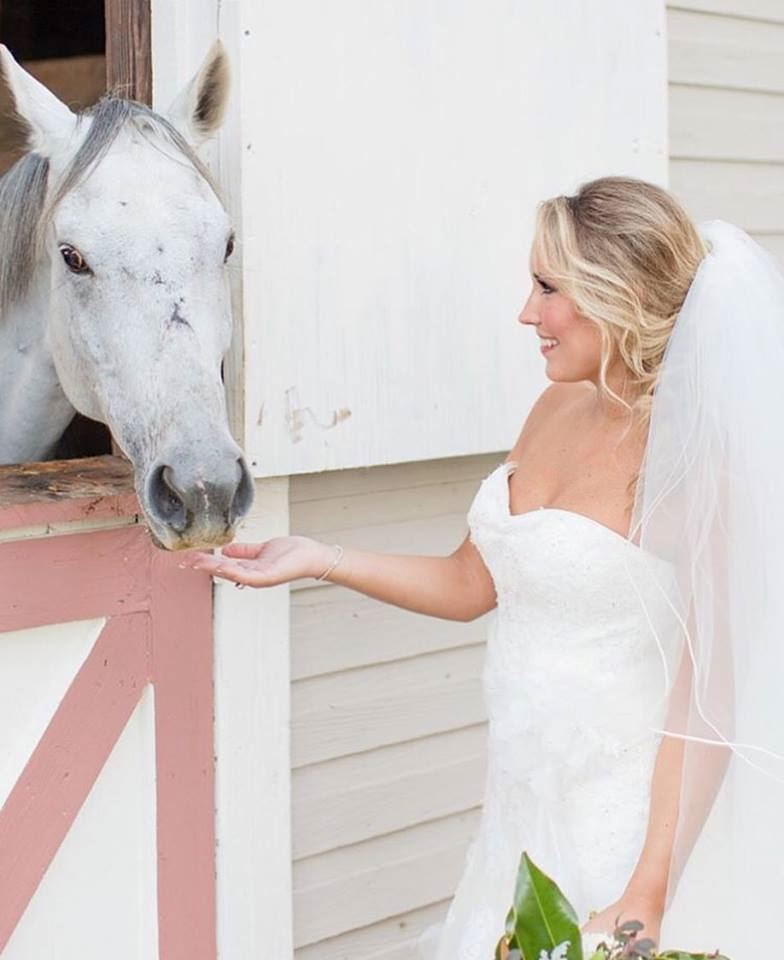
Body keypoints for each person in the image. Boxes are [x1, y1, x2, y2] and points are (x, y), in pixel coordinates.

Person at [192, 176, 784, 958]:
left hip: (630, 833)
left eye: (548, 288)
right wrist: (320, 559)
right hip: (521, 816)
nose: (526, 312)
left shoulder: (694, 464)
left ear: (616, 295)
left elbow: (707, 698)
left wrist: (647, 891)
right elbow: (474, 583)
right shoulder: (554, 408)